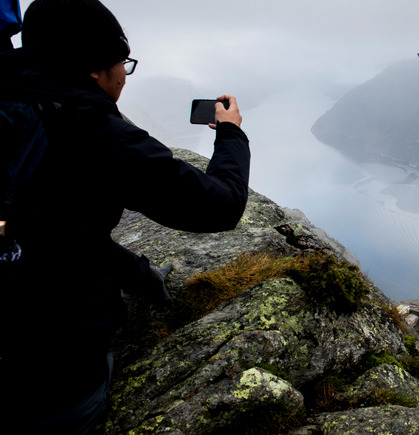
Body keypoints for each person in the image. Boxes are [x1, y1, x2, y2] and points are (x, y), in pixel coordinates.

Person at [0, 0, 250, 432]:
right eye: (123, 63)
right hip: (51, 368)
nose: (124, 75)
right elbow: (220, 206)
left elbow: (52, 226)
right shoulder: (91, 129)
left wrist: (138, 273)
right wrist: (231, 133)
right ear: (95, 69)